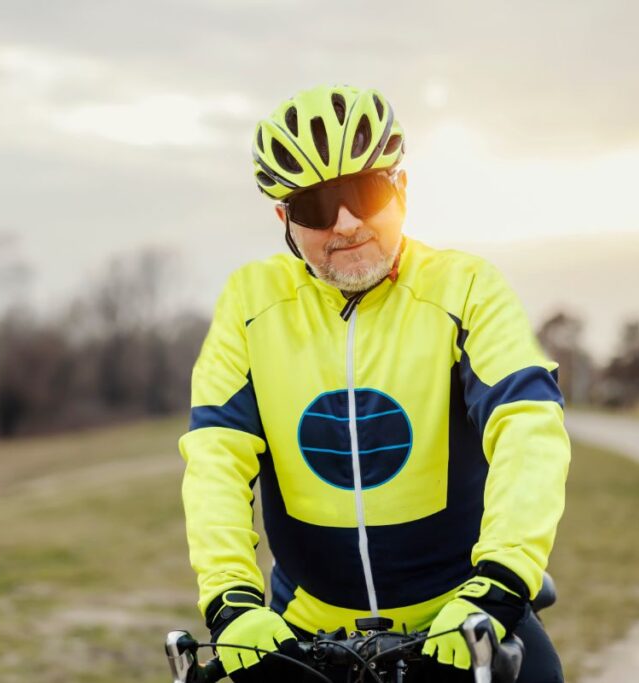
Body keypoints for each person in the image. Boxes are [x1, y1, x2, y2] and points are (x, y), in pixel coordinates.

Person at [179, 84, 569, 682]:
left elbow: (528, 426)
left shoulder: (466, 286)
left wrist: (502, 580)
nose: (346, 223)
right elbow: (215, 458)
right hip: (307, 621)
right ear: (284, 219)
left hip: (458, 611)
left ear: (402, 190)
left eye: (366, 192)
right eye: (314, 206)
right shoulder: (250, 302)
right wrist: (231, 601)